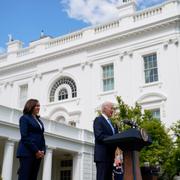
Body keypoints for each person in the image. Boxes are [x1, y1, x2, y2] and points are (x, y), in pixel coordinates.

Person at [16, 99, 46, 180]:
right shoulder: (24, 118)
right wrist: (36, 151)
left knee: (33, 177)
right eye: (36, 106)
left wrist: (43, 150)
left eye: (39, 106)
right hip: (27, 152)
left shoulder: (39, 120)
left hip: (38, 154)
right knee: (25, 177)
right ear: (31, 106)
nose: (38, 108)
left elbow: (42, 137)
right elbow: (24, 137)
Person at [93, 101, 118, 180]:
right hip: (102, 156)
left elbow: (115, 136)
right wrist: (113, 138)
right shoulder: (98, 120)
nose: (112, 110)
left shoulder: (112, 123)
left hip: (110, 157)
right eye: (111, 108)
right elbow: (99, 136)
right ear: (104, 108)